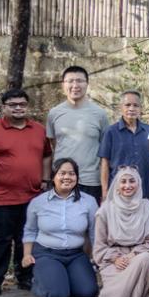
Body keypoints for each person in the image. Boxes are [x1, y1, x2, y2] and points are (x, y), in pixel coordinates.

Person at [0, 89, 52, 296]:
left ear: (27, 106)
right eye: (13, 104)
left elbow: (46, 156)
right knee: (1, 239)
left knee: (27, 237)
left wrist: (44, 179)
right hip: (3, 196)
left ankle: (24, 277)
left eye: (22, 104)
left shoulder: (39, 129)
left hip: (33, 196)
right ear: (4, 107)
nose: (18, 108)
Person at [21, 158, 99, 297]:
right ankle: (38, 281)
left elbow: (94, 232)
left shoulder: (89, 201)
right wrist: (27, 255)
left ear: (77, 177)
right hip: (47, 253)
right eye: (62, 173)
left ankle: (62, 280)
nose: (67, 177)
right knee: (57, 295)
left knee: (88, 292)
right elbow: (30, 230)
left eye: (71, 173)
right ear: (53, 176)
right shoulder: (38, 202)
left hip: (75, 254)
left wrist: (96, 255)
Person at [88, 166, 149, 297]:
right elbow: (99, 246)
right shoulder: (105, 210)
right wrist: (115, 258)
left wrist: (133, 255)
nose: (127, 186)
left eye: (132, 181)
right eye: (123, 182)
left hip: (139, 257)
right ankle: (120, 294)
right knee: (116, 290)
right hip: (114, 260)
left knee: (145, 259)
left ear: (138, 184)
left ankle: (124, 295)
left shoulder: (148, 208)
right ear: (116, 185)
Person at [46, 66, 110, 202]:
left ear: (87, 84)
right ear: (63, 85)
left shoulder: (99, 114)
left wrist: (105, 188)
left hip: (90, 181)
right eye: (70, 81)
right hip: (62, 180)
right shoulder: (54, 113)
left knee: (90, 222)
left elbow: (105, 152)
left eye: (80, 81)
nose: (75, 85)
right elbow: (54, 145)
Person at [99, 90, 149, 201]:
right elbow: (104, 163)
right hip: (119, 191)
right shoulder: (111, 132)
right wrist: (105, 191)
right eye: (127, 105)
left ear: (141, 108)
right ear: (121, 107)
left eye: (136, 105)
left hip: (145, 191)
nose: (132, 108)